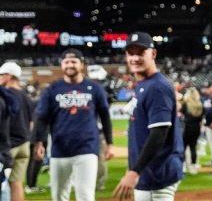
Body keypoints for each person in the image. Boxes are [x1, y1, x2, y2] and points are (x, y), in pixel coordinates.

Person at [33, 49, 114, 201]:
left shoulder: (94, 88)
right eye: (66, 62)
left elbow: (105, 116)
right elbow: (42, 118)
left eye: (74, 61)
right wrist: (39, 142)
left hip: (87, 149)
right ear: (62, 65)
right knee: (58, 195)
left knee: (85, 195)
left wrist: (109, 143)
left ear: (81, 64)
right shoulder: (52, 90)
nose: (70, 65)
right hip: (59, 149)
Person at [114, 32, 184, 200]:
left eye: (141, 52)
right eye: (131, 53)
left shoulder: (156, 86)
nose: (135, 58)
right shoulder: (144, 84)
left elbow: (159, 133)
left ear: (153, 54)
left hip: (156, 174)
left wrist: (134, 171)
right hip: (151, 171)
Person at [0, 61, 33, 201]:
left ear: (9, 76)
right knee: (16, 183)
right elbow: (31, 123)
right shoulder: (26, 96)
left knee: (3, 185)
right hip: (24, 144)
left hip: (9, 145)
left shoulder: (5, 95)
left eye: (1, 75)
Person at [180, 87, 204, 175]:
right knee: (193, 147)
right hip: (196, 127)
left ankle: (183, 166)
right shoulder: (200, 105)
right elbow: (202, 118)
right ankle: (193, 166)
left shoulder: (186, 104)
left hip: (187, 127)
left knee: (183, 147)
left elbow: (181, 112)